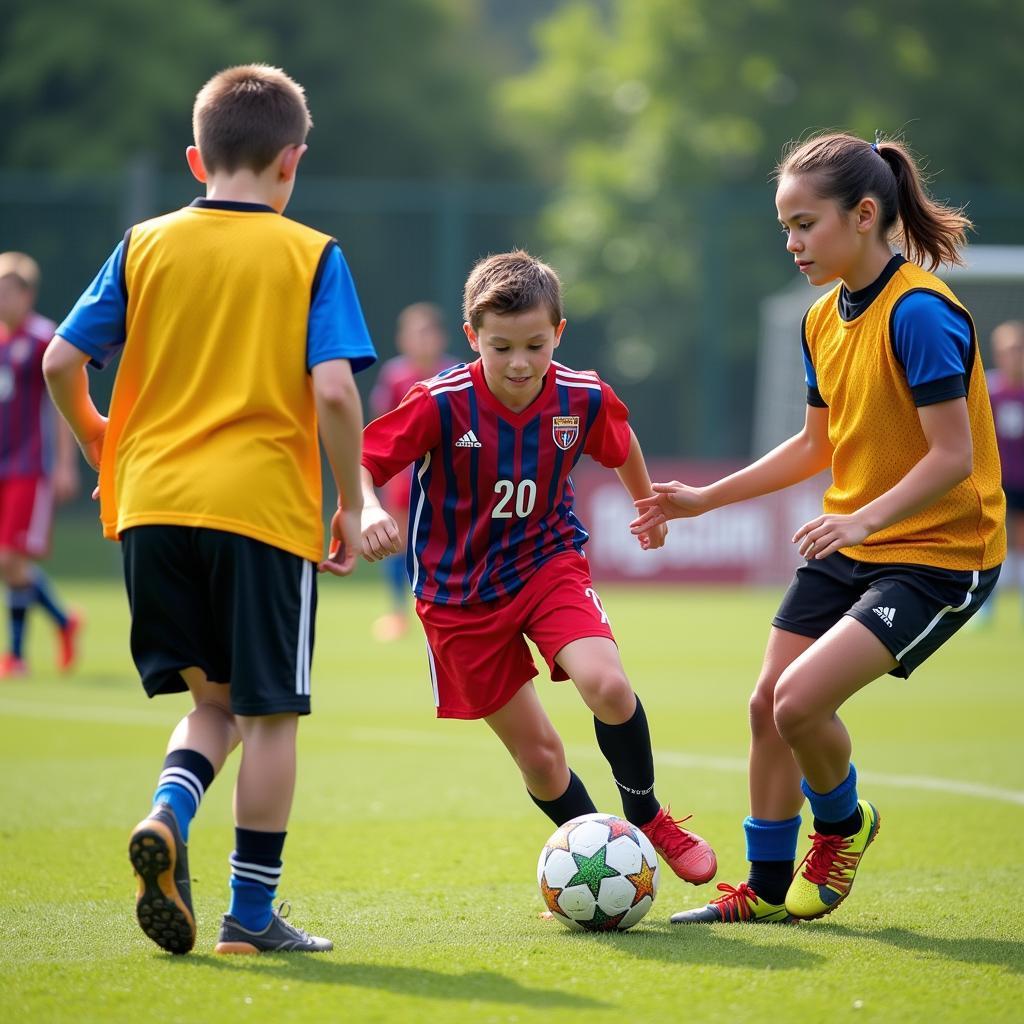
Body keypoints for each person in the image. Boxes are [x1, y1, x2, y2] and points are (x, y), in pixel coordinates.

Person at [631, 132, 1006, 925]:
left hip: (941, 554)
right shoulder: (820, 320)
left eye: (806, 224)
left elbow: (951, 456)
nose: (793, 243)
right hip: (858, 541)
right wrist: (705, 499)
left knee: (800, 702)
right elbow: (815, 444)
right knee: (767, 702)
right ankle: (765, 891)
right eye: (785, 228)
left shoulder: (921, 314)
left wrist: (858, 519)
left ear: (865, 215)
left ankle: (843, 826)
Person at [42, 64, 376, 955]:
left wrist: (106, 451)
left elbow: (59, 365)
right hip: (260, 509)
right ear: (291, 163)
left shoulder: (143, 243)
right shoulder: (311, 254)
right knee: (270, 716)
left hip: (152, 507)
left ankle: (168, 810)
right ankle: (251, 917)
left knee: (213, 706)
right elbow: (337, 394)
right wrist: (354, 500)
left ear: (197, 158)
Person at [355, 250, 717, 891]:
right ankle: (605, 869)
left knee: (607, 686)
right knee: (543, 760)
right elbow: (362, 460)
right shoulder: (439, 402)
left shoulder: (580, 396)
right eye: (501, 347)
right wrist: (361, 509)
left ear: (559, 333)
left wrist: (647, 505)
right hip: (457, 599)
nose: (519, 363)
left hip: (546, 567)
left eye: (534, 344)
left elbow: (621, 439)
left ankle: (646, 816)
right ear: (471, 339)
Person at [0, 252, 81, 679]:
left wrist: (65, 464)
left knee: (10, 560)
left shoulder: (43, 340)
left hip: (29, 466)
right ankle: (64, 622)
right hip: (1, 463)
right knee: (9, 563)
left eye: (7, 292)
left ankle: (15, 655)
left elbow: (59, 406)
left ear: (27, 295)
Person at [368, 302, 450, 641]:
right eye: (416, 333)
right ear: (403, 340)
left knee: (447, 538)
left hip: (447, 474)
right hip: (405, 475)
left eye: (428, 332)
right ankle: (398, 612)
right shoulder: (394, 375)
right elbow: (382, 422)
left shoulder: (453, 372)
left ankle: (446, 604)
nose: (423, 340)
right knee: (398, 541)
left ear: (441, 338)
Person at [981, 321, 1024, 620]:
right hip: (997, 480)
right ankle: (985, 606)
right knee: (990, 538)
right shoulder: (988, 390)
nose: (1015, 356)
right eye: (1009, 350)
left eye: (1019, 349)